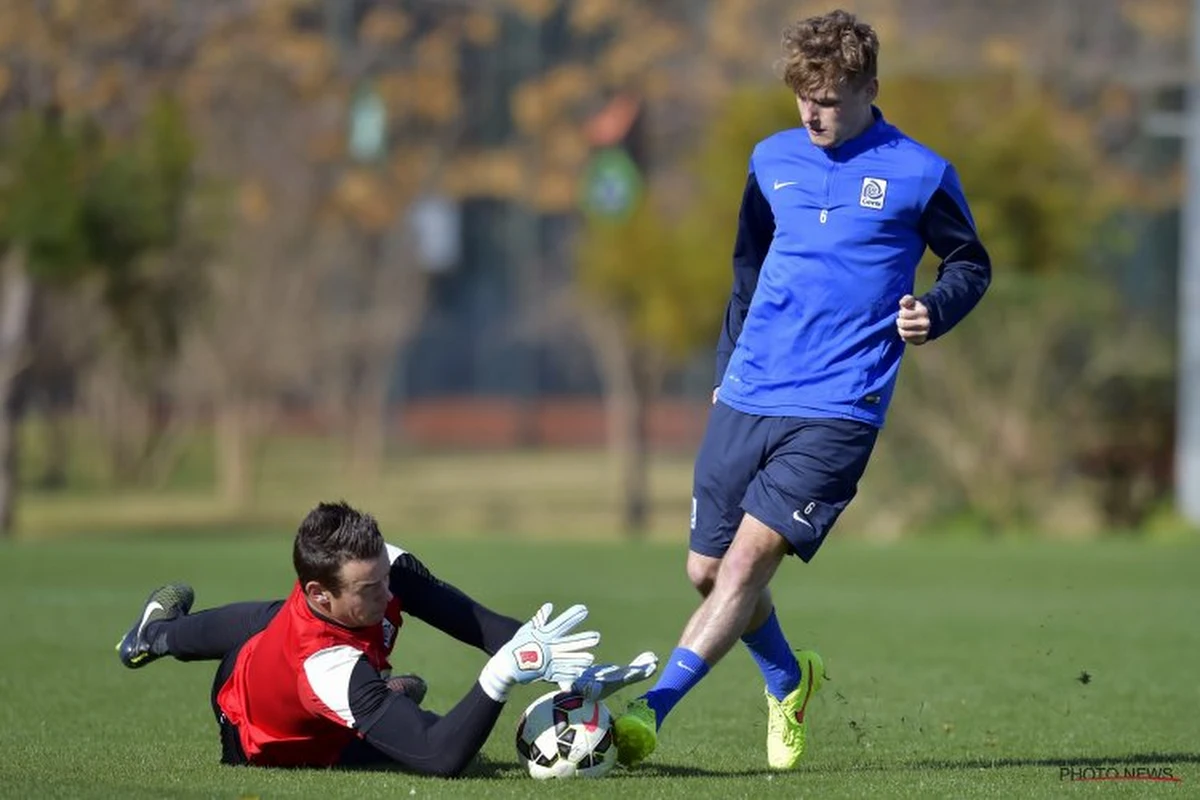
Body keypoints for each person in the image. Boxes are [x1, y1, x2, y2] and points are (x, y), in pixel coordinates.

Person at [612, 9, 991, 770]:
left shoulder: (920, 171)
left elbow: (969, 264)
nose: (814, 113)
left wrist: (932, 310)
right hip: (750, 387)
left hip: (842, 404)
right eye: (803, 97)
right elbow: (747, 272)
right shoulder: (770, 159)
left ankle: (647, 714)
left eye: (831, 98)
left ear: (870, 89)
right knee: (707, 572)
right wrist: (724, 373)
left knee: (748, 565)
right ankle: (790, 679)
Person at [116, 500, 657, 775]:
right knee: (407, 732)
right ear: (321, 593)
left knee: (273, 620)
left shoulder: (374, 570)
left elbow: (473, 621)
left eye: (384, 577)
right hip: (264, 739)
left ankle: (154, 634)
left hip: (276, 659)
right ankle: (158, 634)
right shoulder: (328, 667)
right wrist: (503, 675)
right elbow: (438, 758)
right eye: (368, 589)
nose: (385, 594)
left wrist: (569, 670)